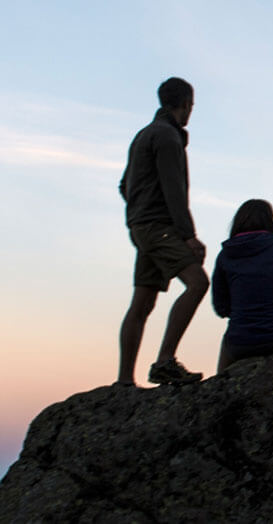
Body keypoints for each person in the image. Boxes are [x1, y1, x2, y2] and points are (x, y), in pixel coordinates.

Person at [115, 77, 208, 386]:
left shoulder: (143, 135)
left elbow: (124, 186)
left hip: (141, 228)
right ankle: (165, 361)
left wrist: (137, 214)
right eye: (191, 105)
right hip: (159, 228)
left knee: (142, 303)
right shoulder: (166, 137)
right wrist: (187, 235)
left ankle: (125, 380)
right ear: (185, 104)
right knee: (197, 283)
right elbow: (174, 191)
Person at [211, 199, 273, 372]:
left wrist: (242, 314)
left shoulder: (225, 256)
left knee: (228, 343)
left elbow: (220, 307)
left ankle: (221, 388)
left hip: (240, 343)